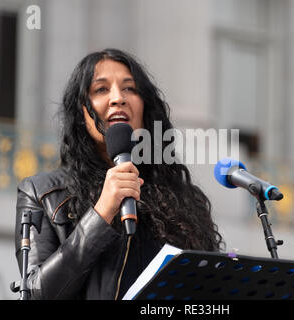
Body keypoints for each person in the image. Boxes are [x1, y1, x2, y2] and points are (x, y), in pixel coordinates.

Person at [14, 48, 224, 300]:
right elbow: (36, 293)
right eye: (101, 89)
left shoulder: (185, 200)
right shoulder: (42, 193)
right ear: (81, 112)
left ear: (146, 107)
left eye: (130, 89)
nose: (118, 98)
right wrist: (102, 212)